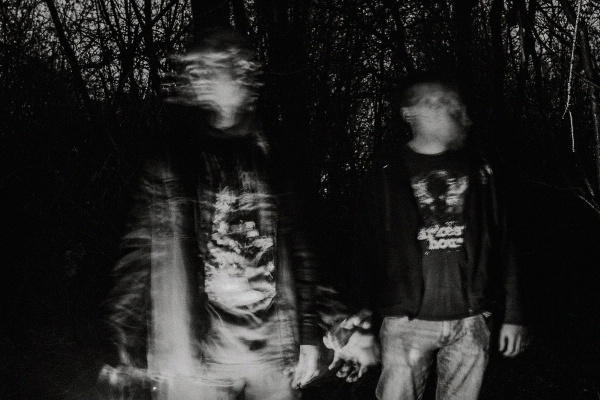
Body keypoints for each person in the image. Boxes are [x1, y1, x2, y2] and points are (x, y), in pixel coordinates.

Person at [101, 29, 323, 400]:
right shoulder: (172, 158)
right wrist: (123, 336)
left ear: (243, 72)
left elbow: (301, 249)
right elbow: (139, 252)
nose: (197, 78)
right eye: (194, 70)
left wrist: (311, 334)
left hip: (271, 351)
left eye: (210, 68)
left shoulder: (277, 155)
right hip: (196, 354)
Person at [330, 71, 529, 400]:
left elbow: (505, 243)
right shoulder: (386, 173)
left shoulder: (481, 170)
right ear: (411, 113)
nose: (455, 112)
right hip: (406, 322)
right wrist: (359, 316)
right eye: (441, 104)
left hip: (471, 319)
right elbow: (364, 250)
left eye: (454, 104)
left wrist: (514, 315)